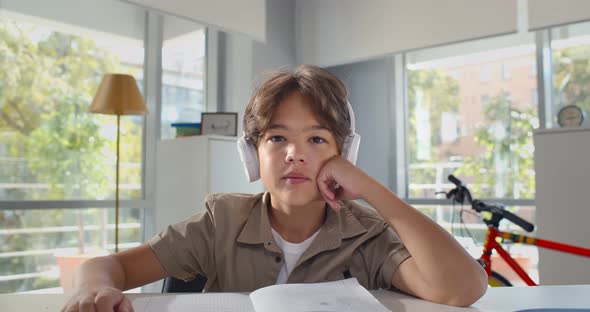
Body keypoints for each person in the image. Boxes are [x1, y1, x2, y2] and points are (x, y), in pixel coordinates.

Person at [62, 65, 487, 312]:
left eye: (316, 140)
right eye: (277, 138)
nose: (294, 155)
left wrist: (372, 190)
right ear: (252, 153)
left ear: (346, 155)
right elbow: (108, 267)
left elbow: (462, 288)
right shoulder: (221, 222)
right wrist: (91, 288)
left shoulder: (366, 233)